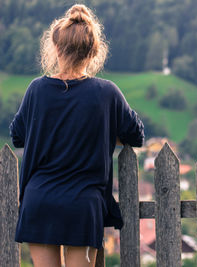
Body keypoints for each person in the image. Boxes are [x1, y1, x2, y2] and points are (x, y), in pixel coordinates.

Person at [9, 4, 144, 267]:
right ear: (94, 52)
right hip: (82, 206)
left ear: (56, 48)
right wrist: (103, 129)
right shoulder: (108, 93)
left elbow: (18, 136)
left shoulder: (36, 90)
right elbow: (136, 135)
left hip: (40, 201)